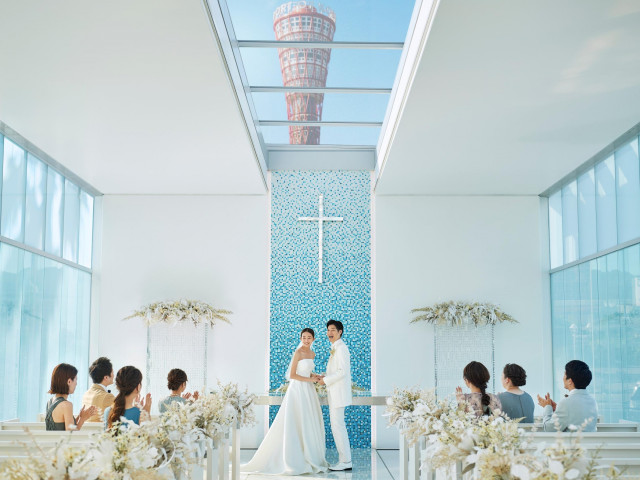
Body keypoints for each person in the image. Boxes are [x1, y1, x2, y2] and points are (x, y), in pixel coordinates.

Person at [241, 328, 328, 475]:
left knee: (307, 419)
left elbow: (306, 372)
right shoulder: (298, 352)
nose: (306, 340)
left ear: (313, 339)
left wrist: (316, 376)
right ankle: (292, 457)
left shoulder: (312, 353)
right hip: (297, 389)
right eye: (304, 337)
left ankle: (308, 453)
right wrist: (310, 380)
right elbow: (293, 375)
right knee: (295, 419)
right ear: (300, 338)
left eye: (309, 338)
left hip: (308, 390)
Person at [318, 319, 353, 471]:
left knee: (338, 426)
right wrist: (324, 376)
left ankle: (345, 461)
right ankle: (345, 460)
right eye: (328, 330)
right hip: (334, 392)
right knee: (337, 426)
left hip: (338, 393)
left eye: (333, 330)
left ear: (340, 332)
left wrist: (325, 380)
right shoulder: (335, 347)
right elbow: (335, 371)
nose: (329, 333)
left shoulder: (341, 348)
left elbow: (342, 372)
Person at [538, 360, 598, 432]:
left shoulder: (566, 403)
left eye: (564, 375)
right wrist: (557, 409)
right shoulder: (593, 401)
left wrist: (547, 407)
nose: (563, 378)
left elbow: (548, 428)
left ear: (570, 381)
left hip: (573, 439)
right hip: (589, 439)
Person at [45, 363, 97, 431]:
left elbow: (64, 426)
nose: (76, 383)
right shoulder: (66, 405)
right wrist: (82, 419)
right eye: (76, 379)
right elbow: (71, 434)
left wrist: (79, 417)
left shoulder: (50, 402)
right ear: (69, 381)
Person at [82, 357, 115, 422]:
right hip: (101, 428)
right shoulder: (107, 396)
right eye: (112, 372)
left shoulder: (86, 394)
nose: (113, 375)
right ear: (106, 377)